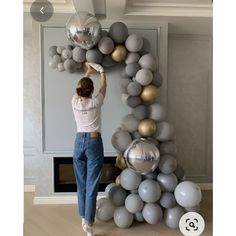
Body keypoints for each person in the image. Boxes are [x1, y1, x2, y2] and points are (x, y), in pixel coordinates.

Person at [72, 62, 106, 236]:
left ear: (79, 91)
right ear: (91, 90)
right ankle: (89, 225)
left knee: (81, 184)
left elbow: (81, 86)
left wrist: (87, 73)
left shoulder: (75, 101)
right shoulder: (95, 102)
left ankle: (83, 217)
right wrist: (101, 71)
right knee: (91, 185)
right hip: (93, 141)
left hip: (78, 142)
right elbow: (103, 88)